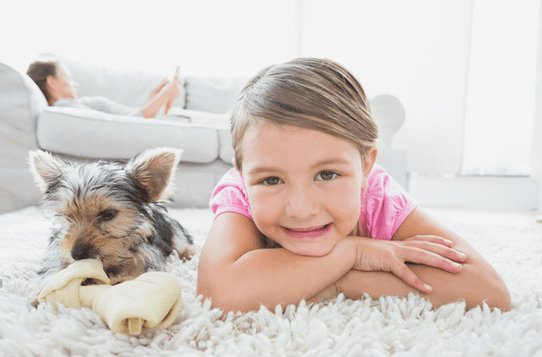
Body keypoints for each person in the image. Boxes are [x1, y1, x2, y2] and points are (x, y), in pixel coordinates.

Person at [197, 58, 511, 314]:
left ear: (365, 167)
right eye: (271, 180)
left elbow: (488, 291)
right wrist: (352, 253)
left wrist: (340, 281)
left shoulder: (377, 197)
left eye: (327, 175)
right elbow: (216, 294)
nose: (302, 209)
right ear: (242, 174)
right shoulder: (240, 191)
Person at [26, 60, 181, 119]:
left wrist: (155, 95)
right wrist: (165, 95)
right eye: (68, 78)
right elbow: (132, 123)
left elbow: (133, 119)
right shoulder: (63, 108)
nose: (75, 84)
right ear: (52, 82)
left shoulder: (72, 106)